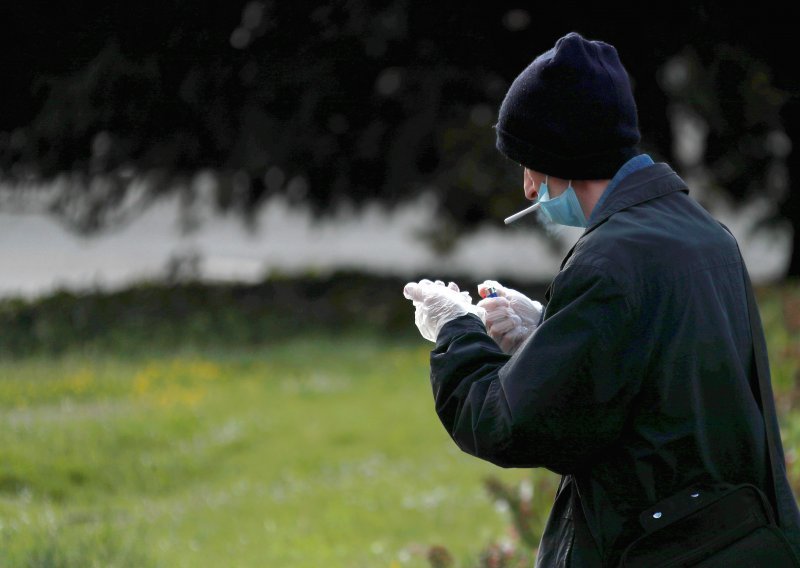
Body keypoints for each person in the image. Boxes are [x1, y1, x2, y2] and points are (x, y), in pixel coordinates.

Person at [402, 32, 800, 566]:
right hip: (730, 540)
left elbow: (511, 426)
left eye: (528, 162)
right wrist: (550, 327)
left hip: (658, 547)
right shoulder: (703, 234)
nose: (526, 188)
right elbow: (663, 371)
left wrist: (455, 330)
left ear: (559, 153)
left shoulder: (610, 261)